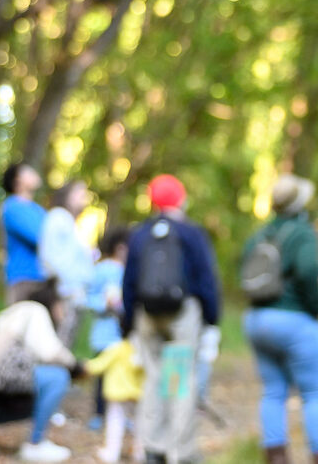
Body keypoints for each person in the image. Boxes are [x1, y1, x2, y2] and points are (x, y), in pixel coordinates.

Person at [122, 174, 221, 464]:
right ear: (180, 198)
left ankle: (153, 448)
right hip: (182, 314)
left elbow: (129, 281)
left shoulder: (140, 233)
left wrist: (127, 324)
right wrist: (212, 321)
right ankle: (181, 451)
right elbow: (206, 280)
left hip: (147, 315)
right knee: (178, 379)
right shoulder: (190, 233)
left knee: (154, 378)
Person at [242, 174, 318, 464]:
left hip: (257, 320)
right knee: (315, 394)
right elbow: (308, 271)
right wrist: (317, 307)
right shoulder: (303, 232)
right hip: (294, 321)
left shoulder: (260, 234)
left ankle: (276, 458)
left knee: (272, 392)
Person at [0, 280, 82, 462]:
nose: (63, 311)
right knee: (57, 378)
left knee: (33, 386)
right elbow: (51, 352)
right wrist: (77, 366)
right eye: (61, 305)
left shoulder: (16, 314)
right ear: (53, 302)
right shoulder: (35, 311)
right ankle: (36, 444)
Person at [86, 225, 131, 430]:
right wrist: (105, 304)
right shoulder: (103, 270)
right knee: (102, 380)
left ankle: (124, 416)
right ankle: (99, 414)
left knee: (126, 376)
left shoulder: (133, 271)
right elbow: (88, 299)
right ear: (120, 247)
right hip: (104, 334)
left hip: (126, 336)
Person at [41, 179, 95, 347]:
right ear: (67, 196)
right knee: (56, 348)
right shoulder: (58, 217)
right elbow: (49, 258)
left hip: (75, 297)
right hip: (63, 296)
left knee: (65, 346)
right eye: (80, 192)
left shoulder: (73, 225)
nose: (85, 196)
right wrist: (55, 296)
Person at [84, 337, 145, 463]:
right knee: (140, 425)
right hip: (136, 395)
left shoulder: (118, 348)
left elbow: (99, 365)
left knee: (115, 424)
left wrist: (84, 367)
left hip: (118, 395)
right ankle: (140, 452)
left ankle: (111, 452)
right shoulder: (143, 349)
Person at [2, 162, 47, 305]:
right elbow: (40, 237)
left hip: (43, 278)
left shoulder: (38, 210)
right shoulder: (12, 207)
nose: (33, 172)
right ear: (17, 181)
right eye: (27, 171)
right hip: (23, 278)